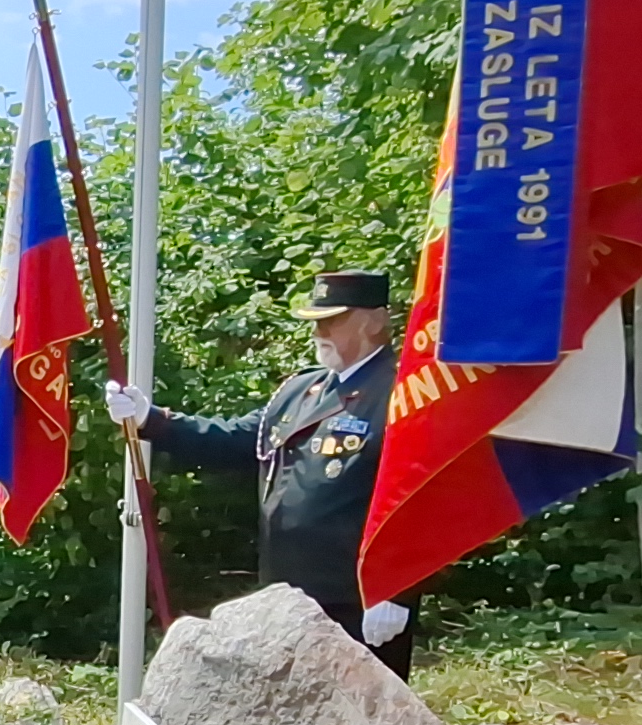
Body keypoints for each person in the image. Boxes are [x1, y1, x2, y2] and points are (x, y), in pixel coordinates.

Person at [105, 269, 417, 671]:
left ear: (374, 321)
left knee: (363, 708)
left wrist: (398, 588)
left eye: (333, 320)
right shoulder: (300, 391)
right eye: (316, 321)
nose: (319, 331)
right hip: (287, 596)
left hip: (356, 599)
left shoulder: (401, 393)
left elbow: (420, 499)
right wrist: (151, 420)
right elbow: (235, 441)